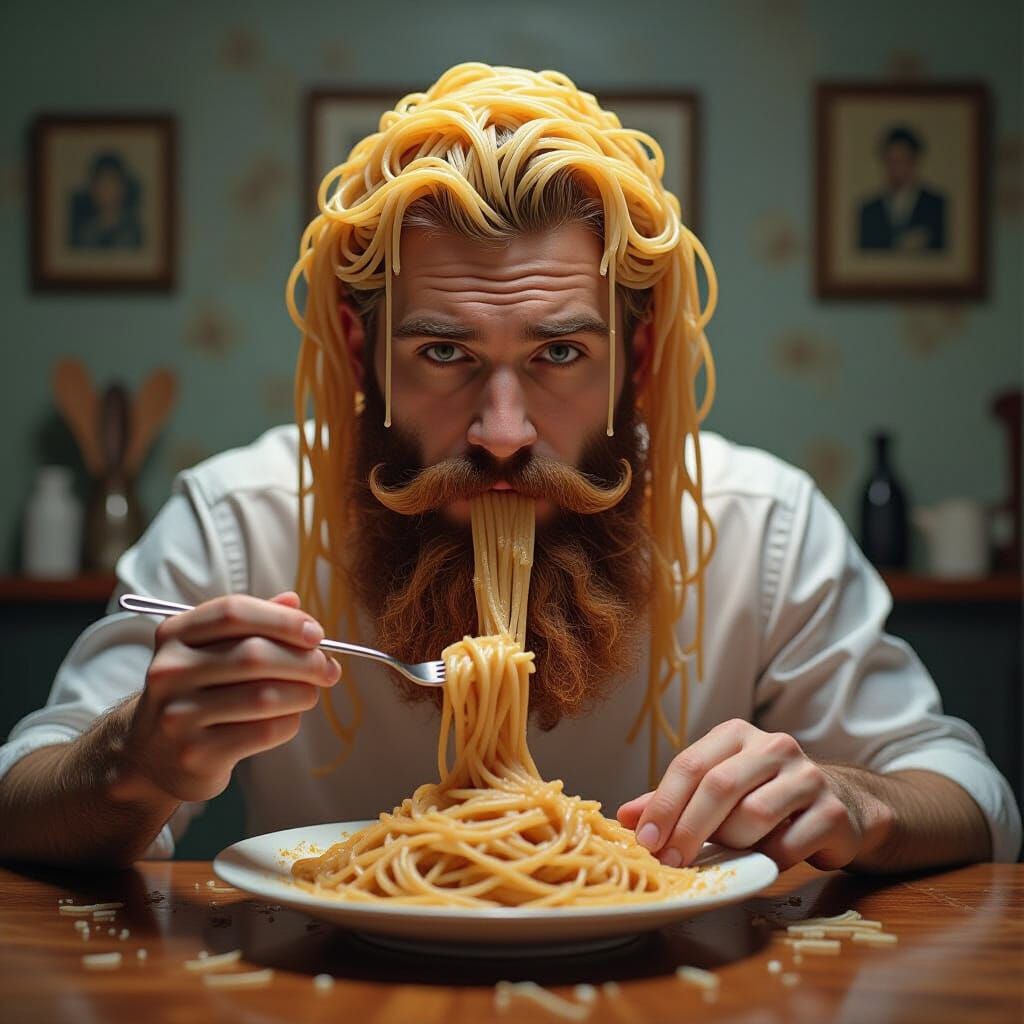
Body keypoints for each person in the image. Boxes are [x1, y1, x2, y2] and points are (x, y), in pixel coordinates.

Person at [2, 65, 1018, 872]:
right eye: (443, 353)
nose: (499, 431)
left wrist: (861, 799)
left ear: (641, 355)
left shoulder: (759, 526)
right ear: (362, 356)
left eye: (559, 355)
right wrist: (127, 761)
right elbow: (21, 793)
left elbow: (969, 792)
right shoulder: (245, 516)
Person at [857, 126, 947, 252]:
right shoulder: (869, 210)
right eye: (891, 161)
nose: (896, 169)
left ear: (914, 161)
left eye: (902, 161)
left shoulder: (936, 205)